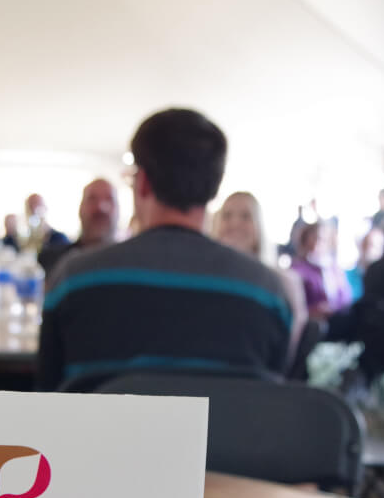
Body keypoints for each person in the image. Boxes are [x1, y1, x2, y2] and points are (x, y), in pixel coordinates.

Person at [38, 108, 293, 390]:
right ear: (215, 186)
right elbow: (271, 405)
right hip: (229, 435)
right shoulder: (267, 292)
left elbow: (48, 398)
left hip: (104, 434)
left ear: (142, 182)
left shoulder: (74, 280)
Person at [211, 190, 307, 363]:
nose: (235, 223)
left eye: (245, 216)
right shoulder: (206, 278)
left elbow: (287, 349)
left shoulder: (283, 282)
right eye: (227, 216)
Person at [40, 178, 120, 276]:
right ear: (80, 209)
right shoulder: (51, 262)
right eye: (92, 199)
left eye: (109, 199)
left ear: (118, 210)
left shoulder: (132, 264)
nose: (100, 207)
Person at [290, 221, 353, 323]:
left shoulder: (335, 269)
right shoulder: (296, 269)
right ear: (305, 240)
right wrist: (313, 310)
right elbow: (292, 305)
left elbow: (345, 298)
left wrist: (334, 308)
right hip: (309, 323)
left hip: (335, 321)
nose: (317, 242)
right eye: (314, 237)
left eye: (322, 239)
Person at [24, 193, 69, 260]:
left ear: (45, 208)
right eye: (30, 207)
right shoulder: (24, 239)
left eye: (37, 204)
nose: (34, 210)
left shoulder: (59, 238)